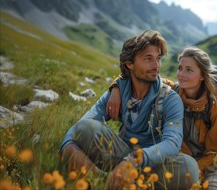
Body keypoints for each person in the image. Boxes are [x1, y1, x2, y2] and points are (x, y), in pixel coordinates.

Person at [60, 30, 199, 189]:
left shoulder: (170, 99)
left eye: (158, 59)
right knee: (85, 127)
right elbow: (82, 124)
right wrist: (67, 145)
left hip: (149, 164)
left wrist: (135, 160)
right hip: (117, 156)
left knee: (189, 167)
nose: (156, 65)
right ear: (130, 64)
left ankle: (108, 182)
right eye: (148, 59)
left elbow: (172, 142)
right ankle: (108, 180)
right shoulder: (117, 92)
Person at [109, 46, 217, 189]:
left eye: (189, 70)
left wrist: (195, 171)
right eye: (180, 68)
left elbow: (215, 154)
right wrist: (115, 87)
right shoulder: (171, 90)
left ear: (202, 75)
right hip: (175, 158)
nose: (181, 74)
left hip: (207, 166)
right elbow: (139, 76)